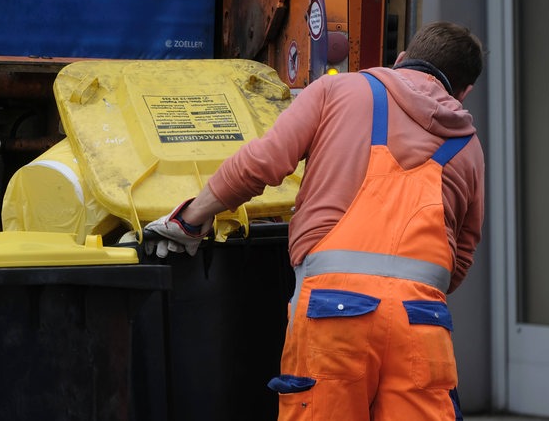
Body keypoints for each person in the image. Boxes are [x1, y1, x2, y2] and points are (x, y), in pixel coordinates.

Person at [143, 21, 485, 420]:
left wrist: (192, 217)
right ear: (464, 92)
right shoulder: (468, 146)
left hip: (334, 311)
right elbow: (459, 259)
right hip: (422, 323)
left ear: (401, 60)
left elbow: (262, 164)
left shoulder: (338, 91)